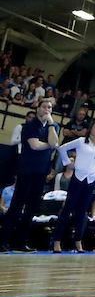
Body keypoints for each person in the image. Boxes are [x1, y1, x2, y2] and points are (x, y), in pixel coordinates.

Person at [0, 99, 59, 252]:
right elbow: (34, 145)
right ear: (38, 108)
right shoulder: (30, 125)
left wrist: (51, 125)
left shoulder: (54, 126)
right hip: (27, 171)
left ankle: (20, 242)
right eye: (44, 107)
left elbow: (55, 142)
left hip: (41, 172)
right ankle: (2, 240)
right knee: (16, 206)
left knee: (32, 209)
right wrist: (49, 144)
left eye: (50, 108)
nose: (47, 110)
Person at [52, 118, 95, 253]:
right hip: (78, 177)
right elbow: (62, 148)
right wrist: (68, 163)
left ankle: (78, 242)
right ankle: (57, 241)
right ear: (90, 128)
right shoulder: (81, 141)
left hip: (91, 180)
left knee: (82, 212)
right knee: (68, 208)